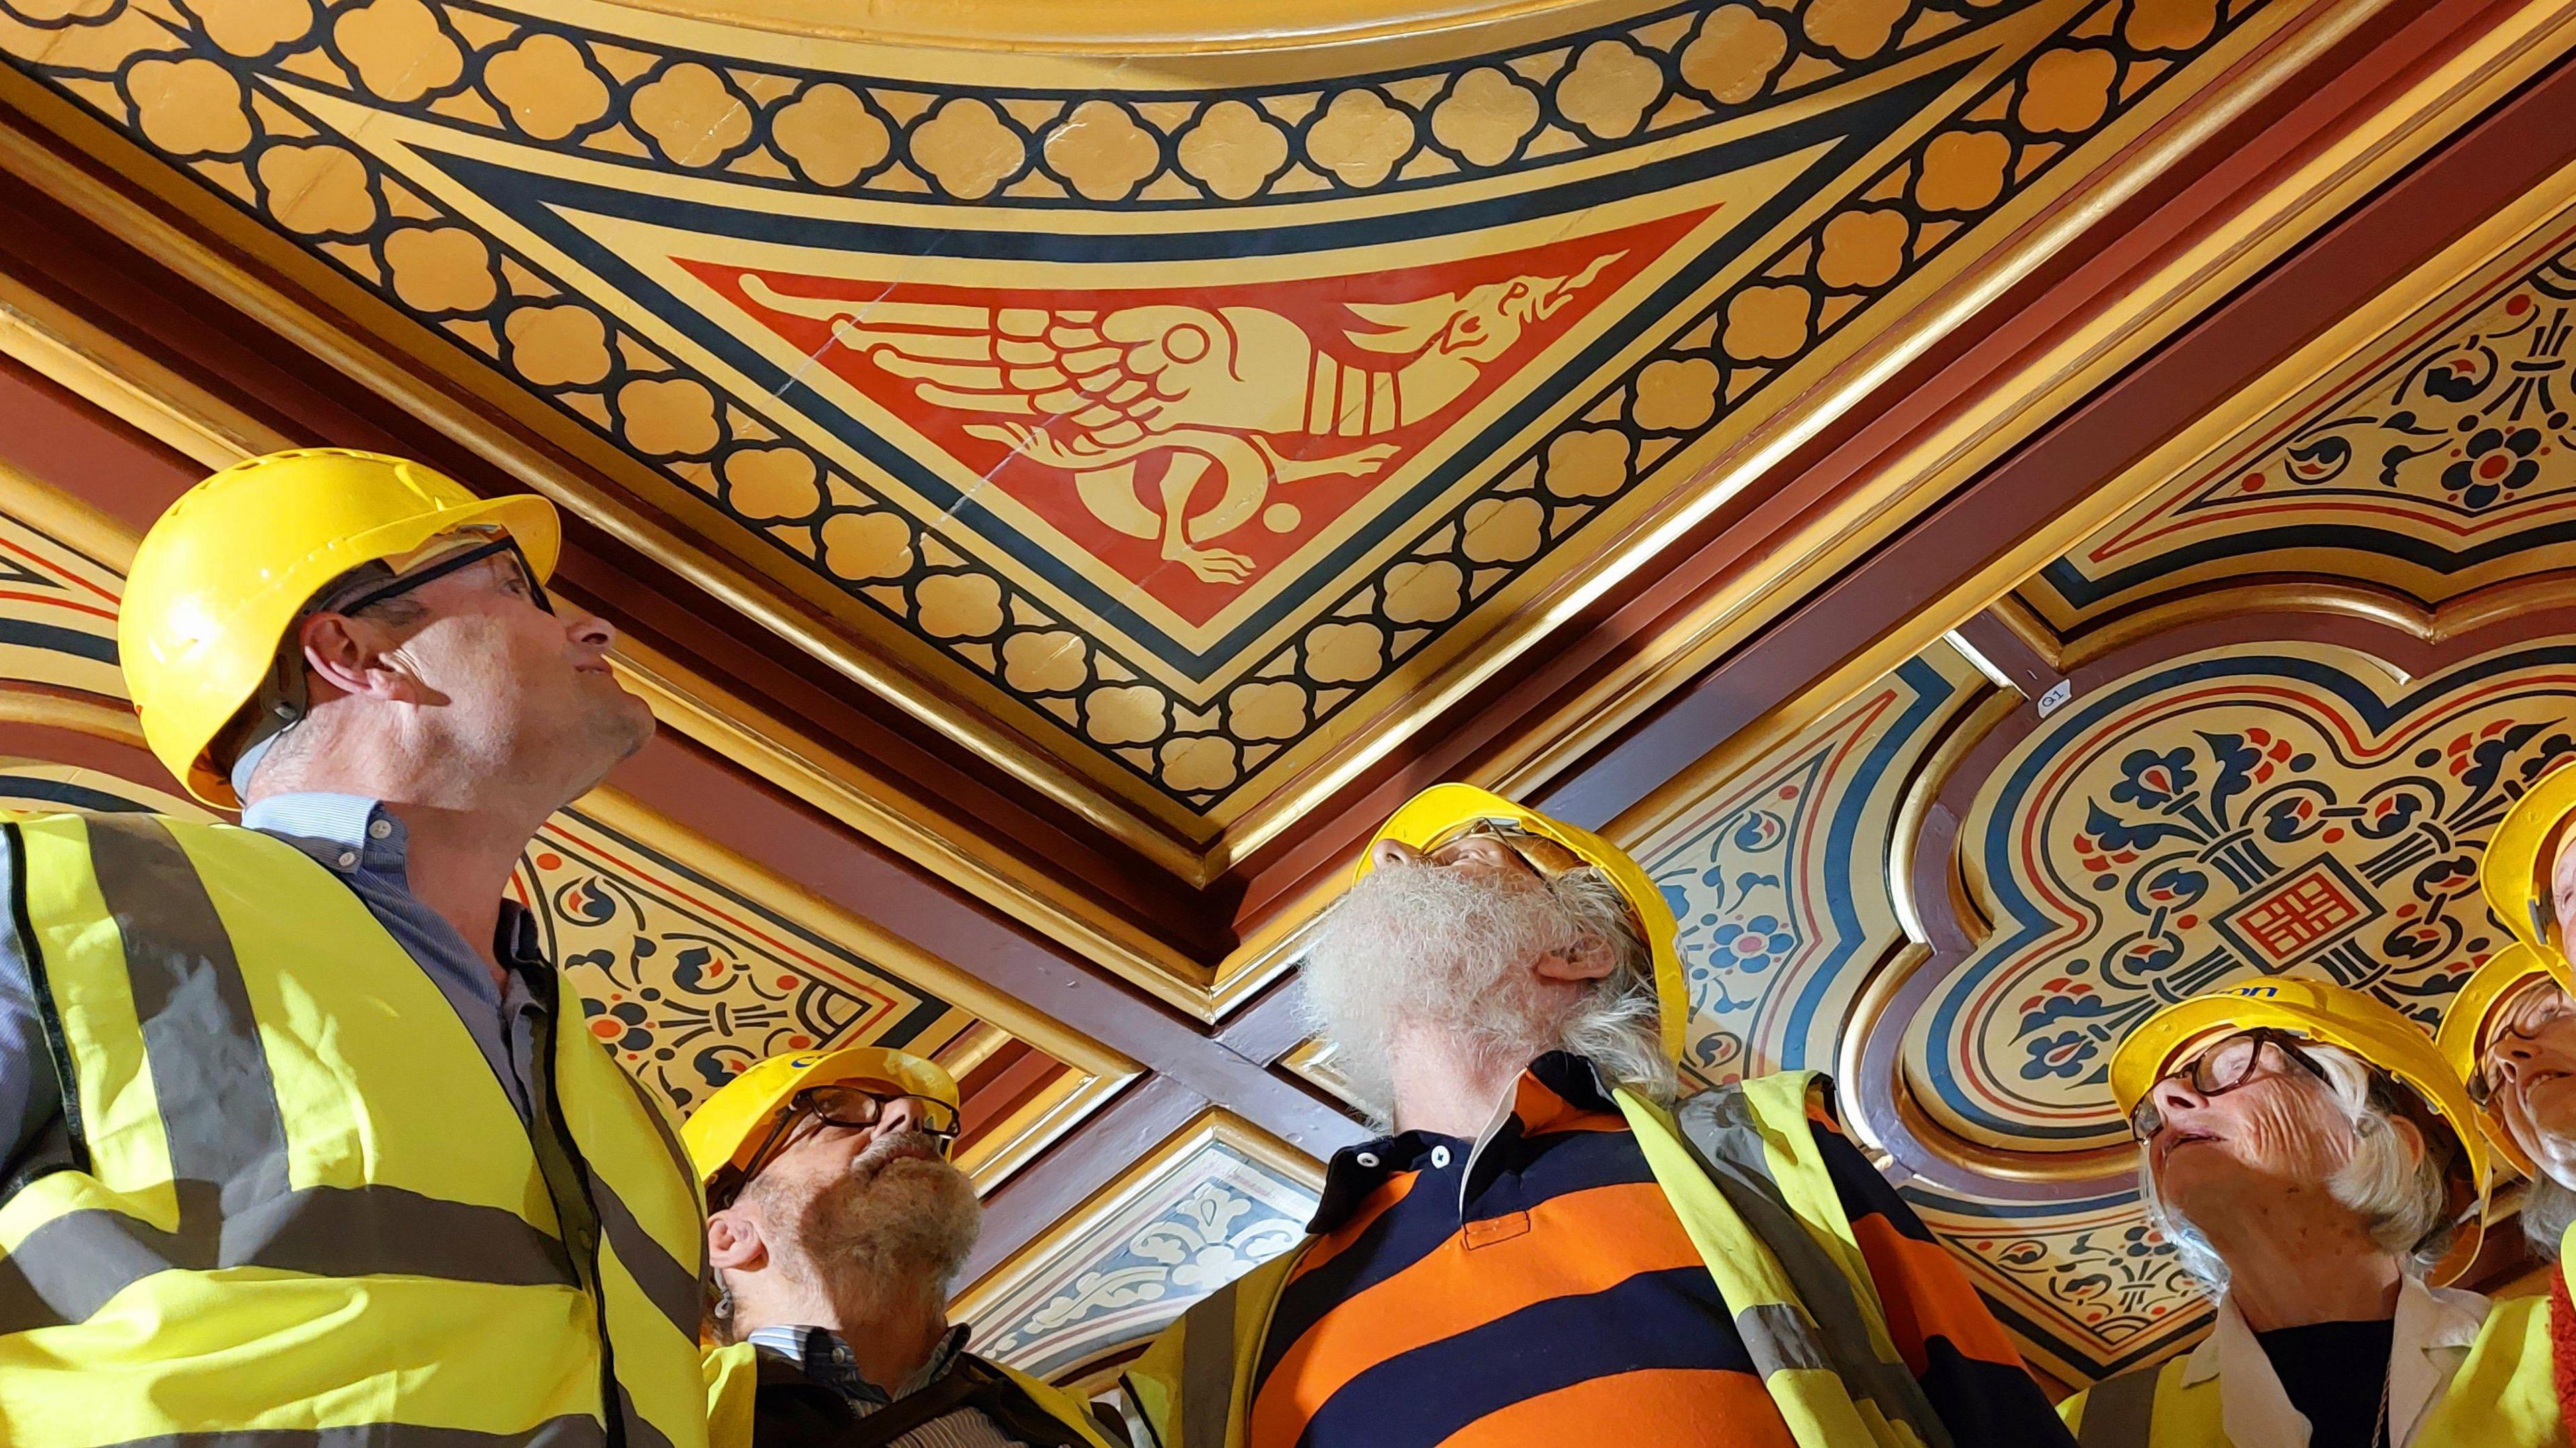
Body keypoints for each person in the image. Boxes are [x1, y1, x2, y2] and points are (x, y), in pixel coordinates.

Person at [0, 449, 706, 1447]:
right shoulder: (62, 899)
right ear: (361, 652)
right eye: (512, 585)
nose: (593, 625)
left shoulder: (633, 1123)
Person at [1122, 783, 2073, 1448]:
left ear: (1578, 948)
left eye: (1461, 853)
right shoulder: (1221, 1343)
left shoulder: (1770, 1151)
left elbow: (1994, 1417)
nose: (1397, 857)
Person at [2057, 977, 2522, 1447]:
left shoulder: (2544, 1345)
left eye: (2234, 1066)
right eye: (2152, 1115)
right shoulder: (2084, 1428)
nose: (2165, 1099)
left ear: (2386, 1139)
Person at [688, 1045, 1124, 1448]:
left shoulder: (1081, 1420)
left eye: (920, 1117)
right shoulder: (675, 1420)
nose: (909, 1113)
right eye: (833, 1110)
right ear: (730, 1237)